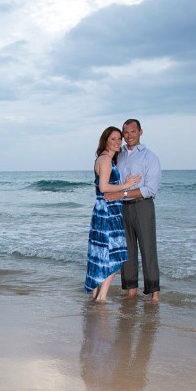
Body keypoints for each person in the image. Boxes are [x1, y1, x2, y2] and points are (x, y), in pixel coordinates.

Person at [105, 119, 161, 302]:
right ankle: (130, 291)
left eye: (133, 132)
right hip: (122, 208)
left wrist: (124, 192)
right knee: (126, 251)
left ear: (140, 132)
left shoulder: (149, 157)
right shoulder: (118, 155)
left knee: (147, 249)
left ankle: (154, 295)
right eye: (126, 132)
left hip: (142, 206)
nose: (129, 136)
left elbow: (150, 189)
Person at [84, 126, 141, 301]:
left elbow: (102, 186)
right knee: (115, 255)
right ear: (105, 141)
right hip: (108, 212)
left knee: (100, 254)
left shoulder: (103, 159)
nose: (117, 142)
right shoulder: (106, 160)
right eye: (113, 139)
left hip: (104, 210)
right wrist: (127, 185)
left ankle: (96, 296)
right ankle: (101, 297)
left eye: (119, 139)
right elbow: (103, 187)